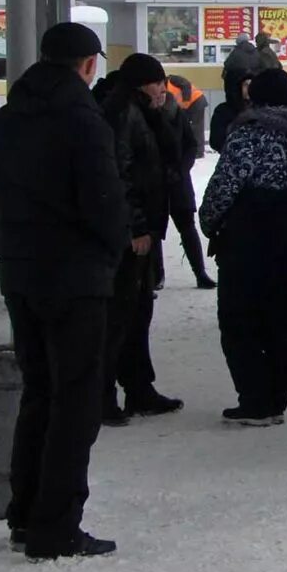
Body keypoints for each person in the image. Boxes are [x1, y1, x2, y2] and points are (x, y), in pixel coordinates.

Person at [0, 22, 128, 559]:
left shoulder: (7, 119)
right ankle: (55, 526)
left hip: (21, 274)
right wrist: (111, 250)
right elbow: (104, 203)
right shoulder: (84, 120)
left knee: (37, 392)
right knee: (76, 400)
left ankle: (24, 512)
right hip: (77, 278)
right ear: (87, 65)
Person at [200, 68, 287, 425]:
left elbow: (223, 188)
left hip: (249, 239)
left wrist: (210, 223)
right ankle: (277, 398)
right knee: (281, 316)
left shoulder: (249, 136)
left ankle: (255, 399)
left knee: (240, 319)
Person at [100, 53, 184, 423]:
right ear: (139, 85)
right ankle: (106, 395)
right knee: (120, 316)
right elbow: (120, 174)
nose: (162, 89)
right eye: (156, 83)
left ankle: (138, 387)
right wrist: (134, 227)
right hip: (130, 234)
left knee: (138, 311)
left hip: (145, 228)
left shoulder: (144, 113)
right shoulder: (124, 115)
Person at [162, 73, 216, 290]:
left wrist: (182, 170)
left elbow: (190, 144)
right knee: (154, 231)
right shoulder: (141, 116)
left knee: (187, 226)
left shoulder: (177, 113)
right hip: (154, 182)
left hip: (178, 181)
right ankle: (156, 276)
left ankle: (200, 272)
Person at [209, 76, 249, 155]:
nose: (249, 88)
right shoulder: (223, 110)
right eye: (245, 85)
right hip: (231, 158)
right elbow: (216, 140)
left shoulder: (261, 109)